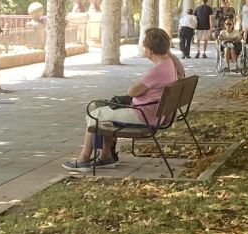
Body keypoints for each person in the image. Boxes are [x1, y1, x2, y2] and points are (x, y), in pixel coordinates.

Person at [64, 28, 186, 170]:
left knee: (94, 115)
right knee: (103, 109)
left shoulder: (157, 71)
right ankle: (105, 156)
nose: (144, 49)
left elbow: (132, 91)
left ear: (150, 50)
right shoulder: (170, 62)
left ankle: (84, 158)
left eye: (144, 46)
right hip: (154, 113)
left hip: (144, 115)